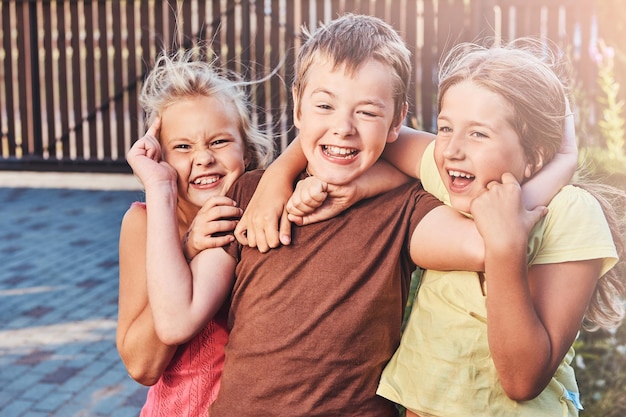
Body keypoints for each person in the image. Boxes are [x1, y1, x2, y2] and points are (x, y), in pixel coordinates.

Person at [143, 13, 503, 417]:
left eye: (367, 112)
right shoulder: (250, 194)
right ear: (298, 106)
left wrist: (370, 184)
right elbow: (175, 322)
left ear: (397, 119)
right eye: (325, 105)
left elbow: (492, 237)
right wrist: (159, 189)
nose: (343, 127)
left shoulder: (405, 208)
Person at [267, 39, 625, 416]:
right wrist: (279, 176)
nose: (451, 149)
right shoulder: (452, 177)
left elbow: (522, 381)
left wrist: (506, 247)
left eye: (478, 134)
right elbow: (366, 132)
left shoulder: (571, 212)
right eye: (445, 129)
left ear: (535, 156)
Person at [115, 48, 274, 417]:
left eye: (218, 141)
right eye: (183, 147)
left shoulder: (265, 215)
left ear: (246, 152)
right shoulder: (143, 224)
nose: (202, 158)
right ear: (163, 160)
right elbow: (141, 366)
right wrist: (185, 248)